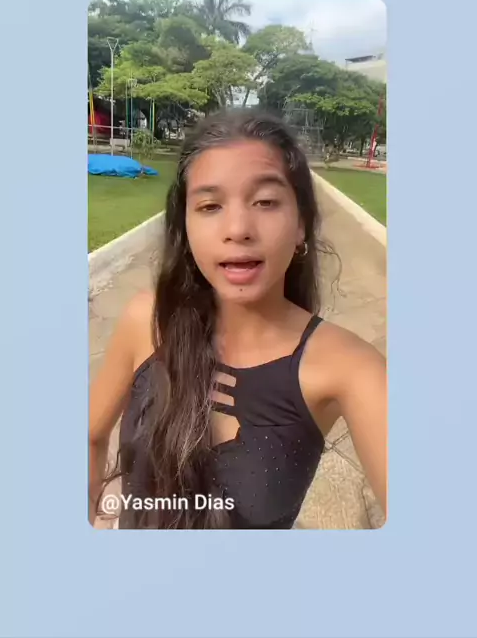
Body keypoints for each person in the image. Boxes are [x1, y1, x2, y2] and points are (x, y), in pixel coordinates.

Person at [89, 109, 386, 529]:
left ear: (301, 224)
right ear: (186, 225)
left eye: (265, 202)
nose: (238, 229)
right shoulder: (148, 321)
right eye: (210, 206)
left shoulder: (351, 369)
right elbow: (89, 435)